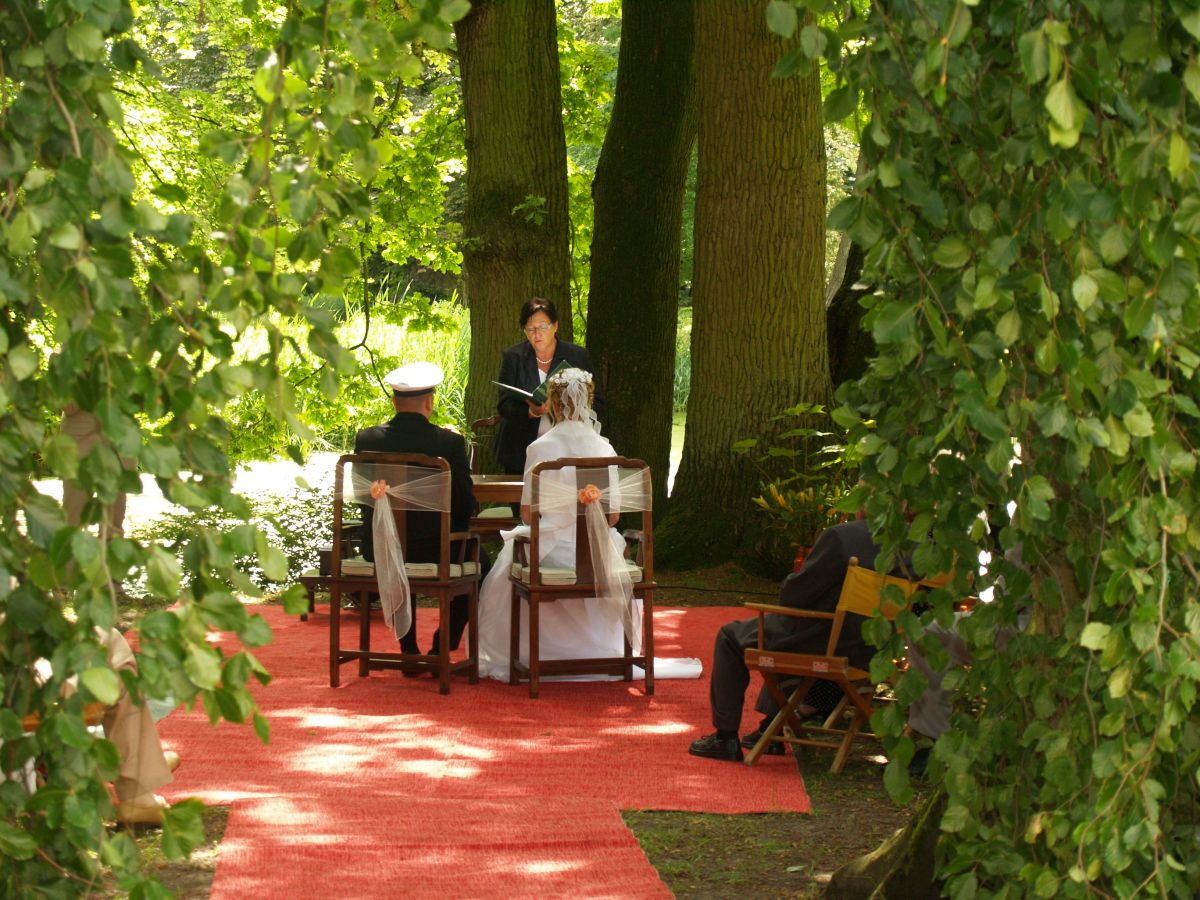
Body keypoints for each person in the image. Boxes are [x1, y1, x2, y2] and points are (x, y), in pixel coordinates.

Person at [476, 367, 631, 680]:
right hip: (597, 556)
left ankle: (528, 654)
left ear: (555, 405)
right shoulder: (605, 449)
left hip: (551, 556)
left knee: (511, 555)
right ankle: (599, 652)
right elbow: (612, 517)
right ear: (588, 402)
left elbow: (527, 513)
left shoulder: (540, 449)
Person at [688, 515, 885, 762]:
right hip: (871, 649)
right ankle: (769, 729)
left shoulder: (842, 536)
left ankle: (725, 737)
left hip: (822, 639)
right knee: (780, 637)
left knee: (731, 635)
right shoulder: (915, 544)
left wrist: (792, 577)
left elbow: (794, 596)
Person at [354, 362, 485, 658]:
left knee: (400, 548)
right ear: (429, 402)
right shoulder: (448, 443)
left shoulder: (367, 439)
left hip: (381, 548)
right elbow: (464, 501)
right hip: (435, 549)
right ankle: (443, 642)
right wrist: (460, 530)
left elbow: (362, 499)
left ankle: (408, 646)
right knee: (483, 566)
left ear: (393, 402)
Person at [495, 298, 602, 476]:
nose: (537, 334)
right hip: (521, 449)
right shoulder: (514, 357)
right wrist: (532, 412)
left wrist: (569, 409)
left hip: (569, 449)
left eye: (543, 326)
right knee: (524, 502)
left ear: (555, 326)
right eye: (530, 329)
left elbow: (597, 401)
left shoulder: (576, 356)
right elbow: (504, 405)